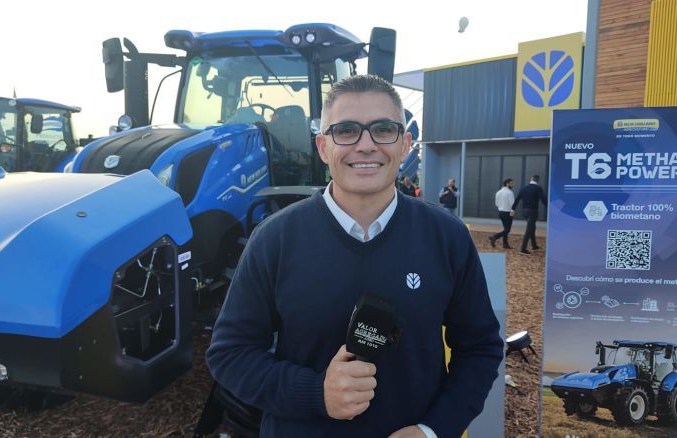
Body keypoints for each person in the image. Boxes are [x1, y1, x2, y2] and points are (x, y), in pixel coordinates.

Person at [206, 75, 503, 438]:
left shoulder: (446, 237)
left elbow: (481, 347)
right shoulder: (274, 240)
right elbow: (229, 354)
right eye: (346, 130)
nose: (365, 145)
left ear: (406, 143)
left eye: (383, 129)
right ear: (322, 146)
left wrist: (432, 430)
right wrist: (316, 393)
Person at [511, 174, 548, 254]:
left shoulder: (524, 188)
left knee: (532, 227)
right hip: (533, 211)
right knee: (529, 230)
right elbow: (543, 200)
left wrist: (513, 209)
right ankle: (523, 249)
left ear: (531, 179)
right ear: (538, 180)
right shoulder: (538, 188)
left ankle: (534, 245)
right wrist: (550, 208)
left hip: (524, 211)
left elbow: (517, 198)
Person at [489, 178, 514, 249]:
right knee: (507, 230)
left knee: (505, 229)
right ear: (507, 183)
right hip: (508, 213)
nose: (513, 185)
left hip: (501, 212)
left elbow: (496, 204)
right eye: (511, 183)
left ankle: (505, 244)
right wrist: (512, 212)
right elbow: (512, 204)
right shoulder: (510, 192)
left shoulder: (498, 192)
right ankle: (494, 237)